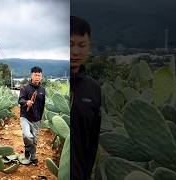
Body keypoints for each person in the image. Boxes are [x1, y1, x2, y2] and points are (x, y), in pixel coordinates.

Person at [70, 16, 101, 180]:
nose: (76, 52)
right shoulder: (54, 87)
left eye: (82, 45)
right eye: (70, 45)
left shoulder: (94, 89)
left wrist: (86, 172)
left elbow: (93, 139)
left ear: (88, 47)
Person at [18, 66, 46, 166]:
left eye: (39, 75)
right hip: (25, 116)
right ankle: (27, 149)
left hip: (37, 119)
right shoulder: (25, 88)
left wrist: (40, 118)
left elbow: (42, 105)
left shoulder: (42, 89)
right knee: (27, 135)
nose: (37, 77)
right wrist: (27, 102)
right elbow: (20, 100)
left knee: (34, 140)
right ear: (31, 75)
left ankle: (33, 157)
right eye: (35, 75)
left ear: (41, 76)